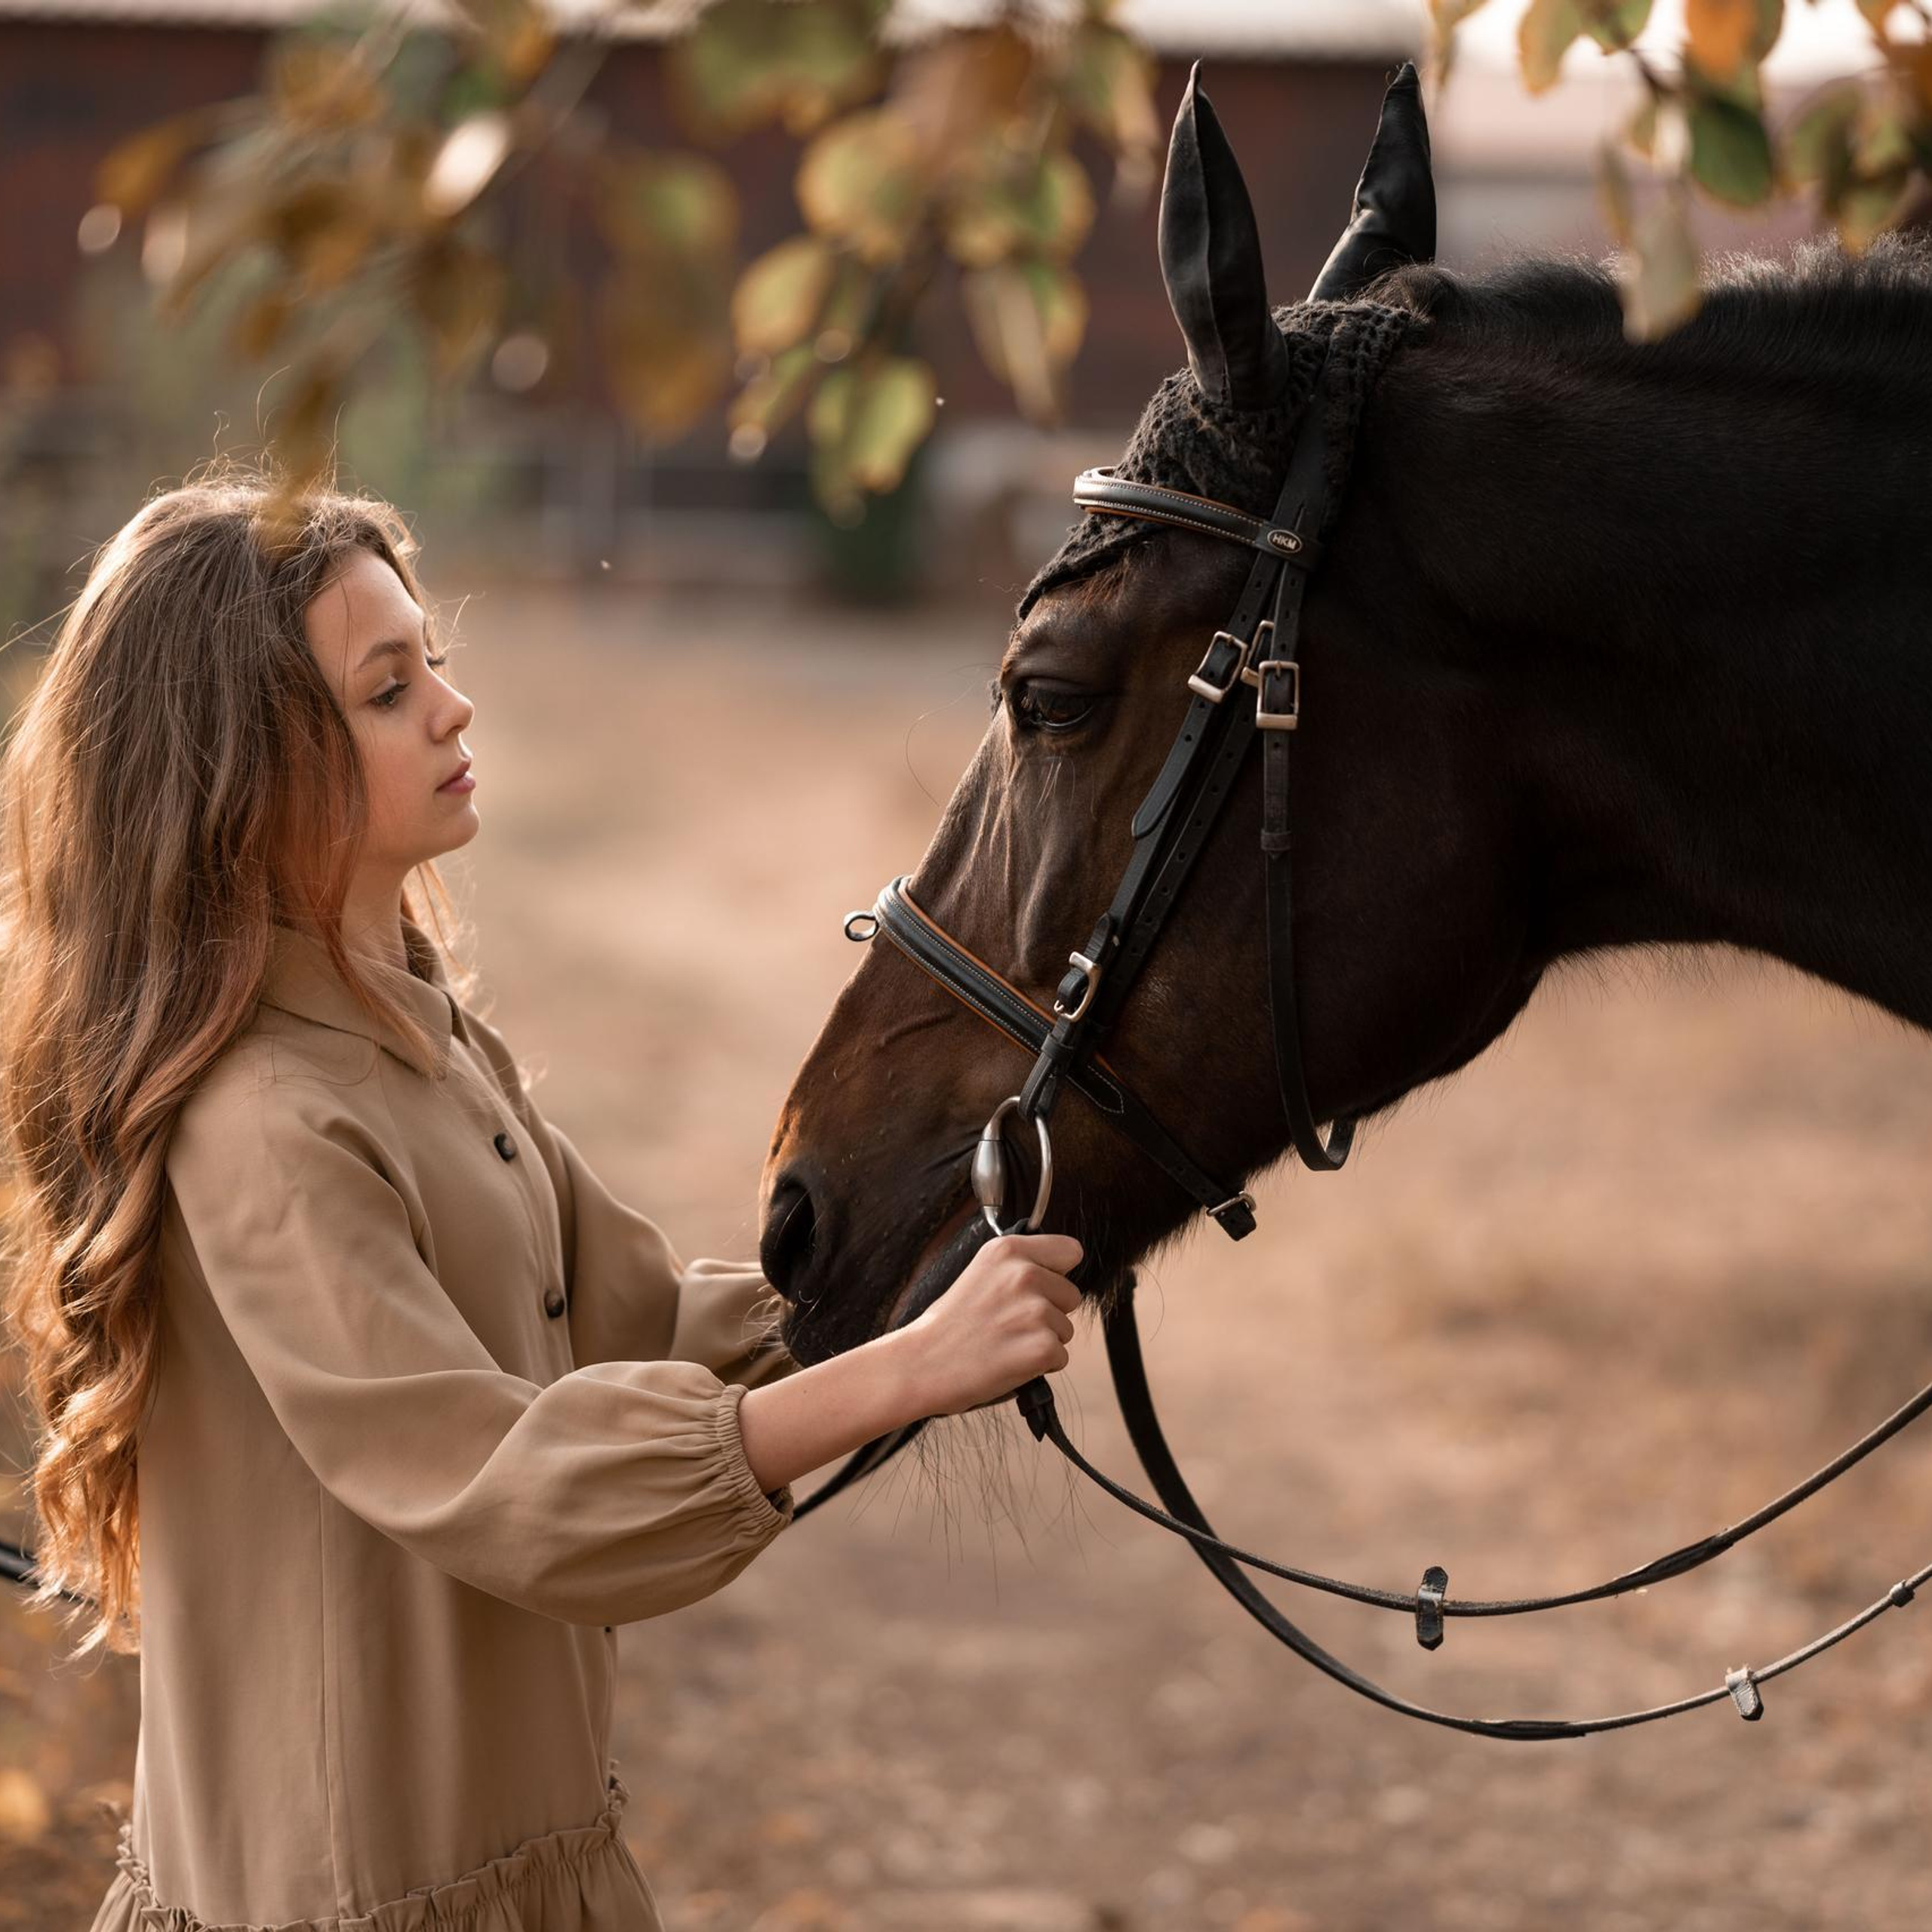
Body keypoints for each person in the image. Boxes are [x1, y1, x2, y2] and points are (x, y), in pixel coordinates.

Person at [0, 464, 1084, 1931]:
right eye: (387, 690)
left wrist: (934, 1246)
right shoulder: (264, 1120)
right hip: (347, 1898)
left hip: (528, 1862)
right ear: (243, 767)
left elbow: (628, 1313)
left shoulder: (420, 1029)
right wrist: (906, 1367)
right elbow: (504, 1473)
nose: (451, 706)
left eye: (431, 662)